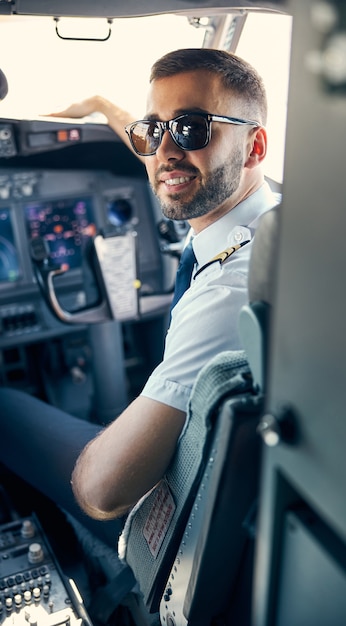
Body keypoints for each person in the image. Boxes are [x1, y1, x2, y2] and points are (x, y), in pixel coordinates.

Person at [0, 48, 277, 550]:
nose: (165, 153)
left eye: (192, 127)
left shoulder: (227, 289)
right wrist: (106, 108)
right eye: (153, 130)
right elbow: (177, 161)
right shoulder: (271, 212)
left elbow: (103, 492)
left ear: (254, 146)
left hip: (169, 514)